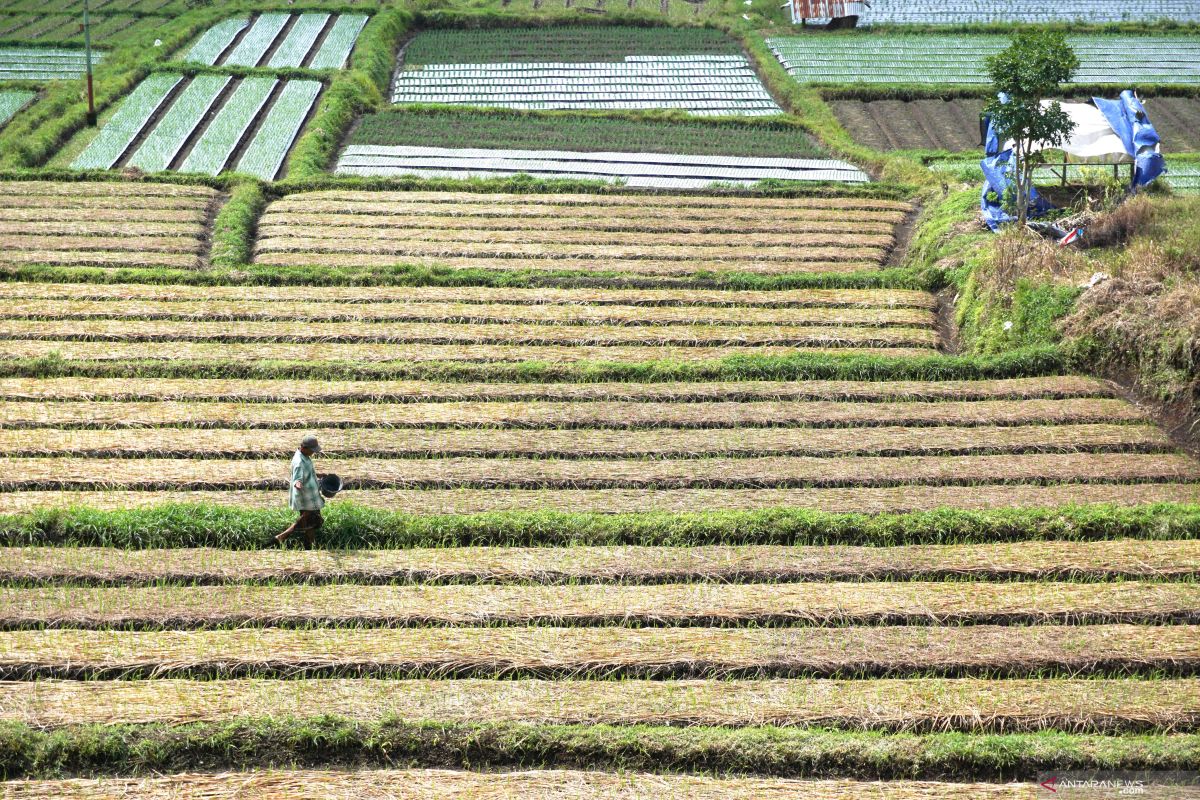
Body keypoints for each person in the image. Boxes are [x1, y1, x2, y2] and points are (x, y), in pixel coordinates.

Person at [272, 434, 324, 549]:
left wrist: (318, 476)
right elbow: (297, 479)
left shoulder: (304, 456)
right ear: (304, 448)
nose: (313, 453)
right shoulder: (299, 463)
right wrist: (298, 484)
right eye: (312, 450)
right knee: (311, 520)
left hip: (310, 497)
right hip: (306, 498)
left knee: (310, 523)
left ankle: (309, 546)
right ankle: (282, 536)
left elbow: (307, 473)